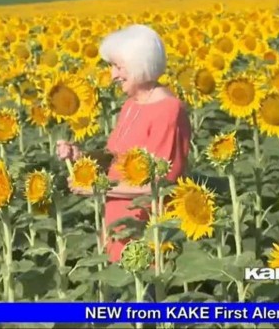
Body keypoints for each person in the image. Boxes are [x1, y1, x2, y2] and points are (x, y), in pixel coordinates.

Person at [57, 24, 192, 264]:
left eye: (119, 67)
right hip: (117, 231)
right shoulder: (132, 104)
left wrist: (96, 188)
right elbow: (115, 158)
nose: (112, 75)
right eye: (111, 66)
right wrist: (81, 157)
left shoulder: (169, 111)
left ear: (141, 64)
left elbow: (158, 185)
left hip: (147, 235)